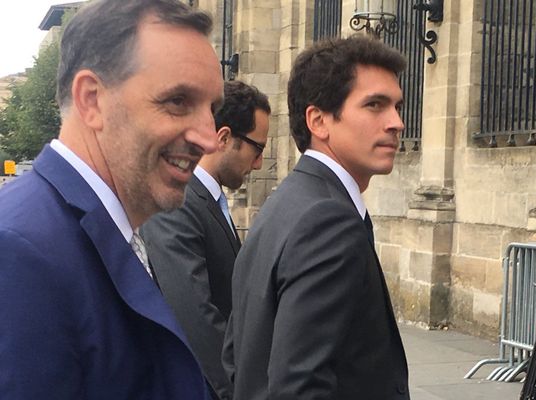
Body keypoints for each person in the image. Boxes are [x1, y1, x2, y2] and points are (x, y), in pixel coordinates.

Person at [0, 0, 224, 399]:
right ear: (91, 99)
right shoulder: (19, 250)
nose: (208, 137)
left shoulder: (109, 227)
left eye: (212, 108)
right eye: (177, 102)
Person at [223, 35, 410, 399]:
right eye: (375, 105)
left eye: (397, 106)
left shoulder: (284, 204)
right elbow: (299, 385)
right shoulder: (327, 221)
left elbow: (236, 357)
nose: (396, 122)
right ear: (319, 120)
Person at [141, 80, 271, 400]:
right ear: (224, 138)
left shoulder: (210, 201)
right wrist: (239, 391)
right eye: (258, 149)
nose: (258, 164)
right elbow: (194, 313)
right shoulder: (179, 203)